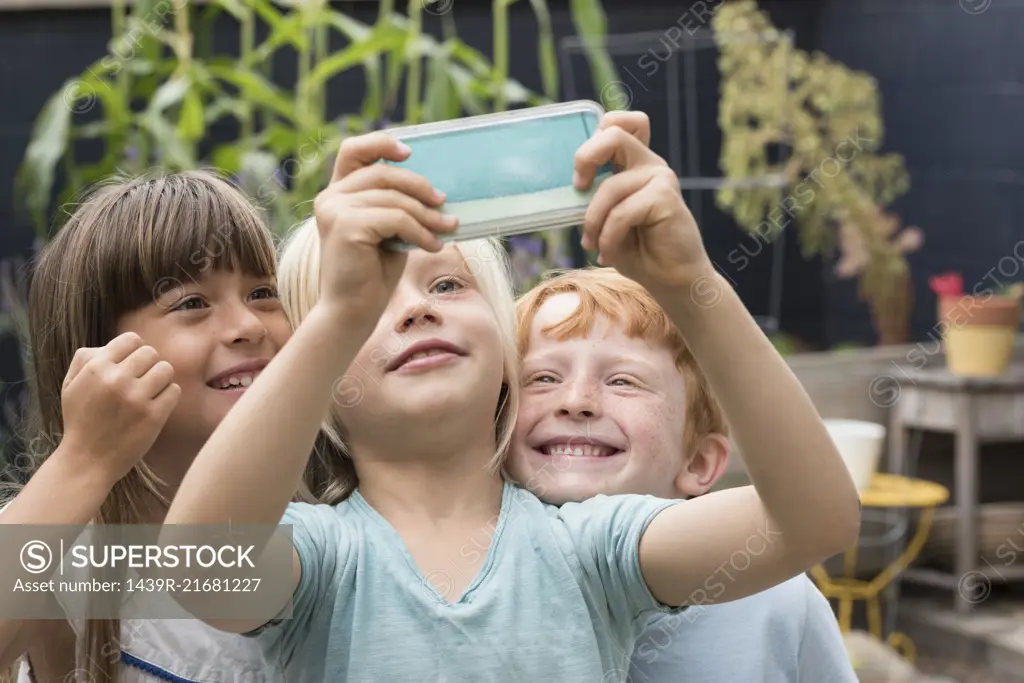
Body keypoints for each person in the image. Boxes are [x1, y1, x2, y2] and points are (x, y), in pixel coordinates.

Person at [162, 108, 861, 682]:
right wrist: (338, 315)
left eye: (446, 284)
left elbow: (813, 521)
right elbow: (198, 566)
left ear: (507, 356)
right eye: (371, 299)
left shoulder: (591, 546)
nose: (413, 310)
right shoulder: (322, 559)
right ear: (319, 390)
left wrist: (689, 284)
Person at [0, 171, 291, 682]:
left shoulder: (337, 511)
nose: (248, 326)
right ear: (95, 357)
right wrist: (83, 461)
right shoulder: (70, 555)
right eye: (192, 303)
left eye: (264, 292)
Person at [511, 266, 858, 683]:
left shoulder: (778, 600)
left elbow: (817, 518)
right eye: (542, 377)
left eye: (622, 381)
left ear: (697, 462)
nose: (575, 401)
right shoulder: (478, 582)